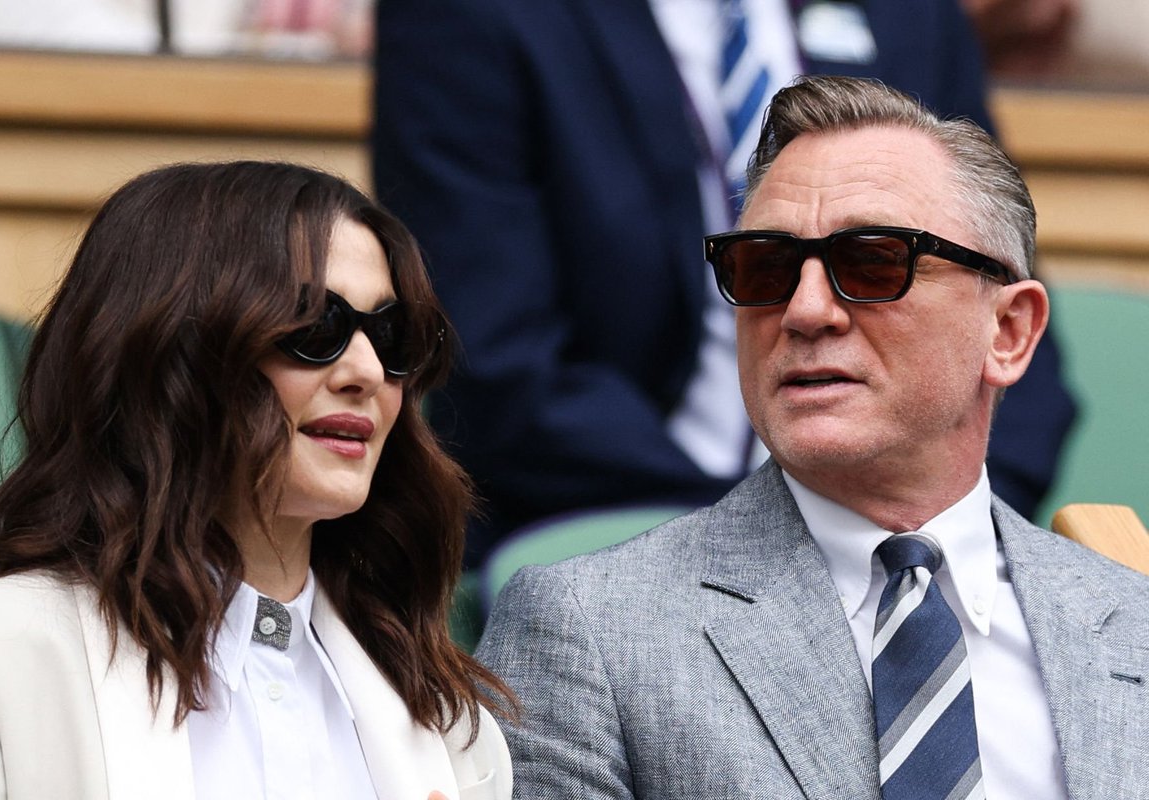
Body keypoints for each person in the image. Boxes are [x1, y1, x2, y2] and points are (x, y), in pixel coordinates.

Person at [476, 76, 1149, 799]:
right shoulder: (588, 630)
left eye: (872, 262)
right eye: (764, 266)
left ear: (1009, 332)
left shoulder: (1129, 621)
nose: (805, 310)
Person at [372, 0, 1076, 565]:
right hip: (611, 519)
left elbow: (994, 309)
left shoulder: (909, 15)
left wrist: (955, 523)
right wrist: (781, 531)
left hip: (906, 527)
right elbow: (499, 365)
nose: (806, 309)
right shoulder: (466, 15)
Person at [0, 161, 513, 799]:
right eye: (314, 325)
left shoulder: (453, 729)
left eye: (391, 335)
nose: (367, 370)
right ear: (167, 354)